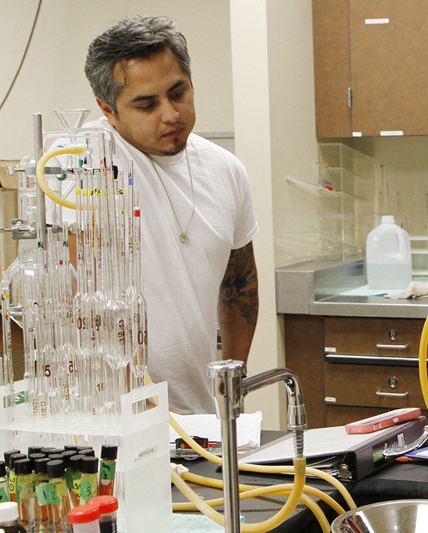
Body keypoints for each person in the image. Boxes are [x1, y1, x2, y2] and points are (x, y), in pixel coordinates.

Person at [79, 16, 259, 414]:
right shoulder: (79, 166)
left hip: (198, 417)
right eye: (147, 105)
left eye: (178, 93)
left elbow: (240, 283)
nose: (171, 115)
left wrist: (233, 384)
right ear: (108, 110)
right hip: (108, 417)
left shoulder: (225, 170)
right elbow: (69, 298)